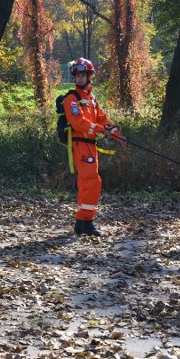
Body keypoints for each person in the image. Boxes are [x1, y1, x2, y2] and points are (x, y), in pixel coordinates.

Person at [62, 57, 126, 236]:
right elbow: (79, 123)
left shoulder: (92, 99)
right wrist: (101, 130)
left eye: (84, 75)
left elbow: (103, 120)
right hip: (80, 145)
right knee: (91, 182)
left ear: (90, 76)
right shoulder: (72, 99)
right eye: (78, 75)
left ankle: (81, 222)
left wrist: (117, 135)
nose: (80, 78)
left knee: (89, 182)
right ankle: (87, 221)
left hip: (91, 146)